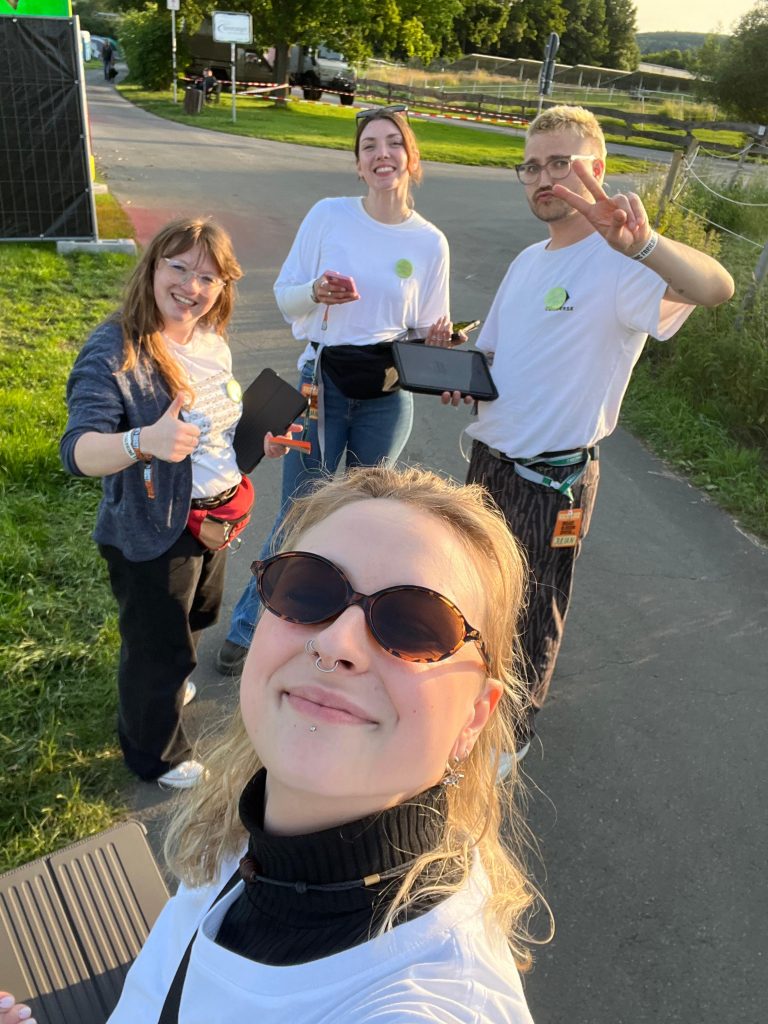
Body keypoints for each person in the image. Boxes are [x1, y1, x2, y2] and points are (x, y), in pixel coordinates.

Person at [0, 465, 541, 1023]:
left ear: (474, 717)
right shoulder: (247, 835)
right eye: (308, 591)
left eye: (415, 625)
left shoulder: (427, 1004)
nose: (335, 642)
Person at [446, 105, 735, 757]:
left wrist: (647, 245)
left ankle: (508, 742)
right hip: (490, 459)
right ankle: (476, 708)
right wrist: (461, 362)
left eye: (561, 164)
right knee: (479, 596)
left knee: (532, 610)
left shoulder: (623, 263)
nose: (544, 177)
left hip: (552, 477)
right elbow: (495, 351)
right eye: (533, 165)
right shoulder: (527, 261)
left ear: (596, 171)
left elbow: (719, 287)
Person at [217, 104, 456, 675]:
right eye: (369, 145)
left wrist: (441, 341)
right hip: (319, 383)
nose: (382, 154)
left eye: (393, 143)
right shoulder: (329, 216)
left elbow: (425, 331)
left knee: (362, 513)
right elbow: (285, 296)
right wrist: (316, 294)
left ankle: (336, 623)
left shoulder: (430, 243)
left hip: (386, 395)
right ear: (357, 163)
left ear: (411, 156)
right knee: (299, 512)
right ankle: (251, 626)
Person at [60, 217, 290, 790]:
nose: (192, 286)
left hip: (214, 517)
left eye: (208, 276)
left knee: (196, 618)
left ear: (223, 286)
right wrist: (143, 443)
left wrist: (255, 444)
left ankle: (167, 680)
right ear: (153, 268)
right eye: (179, 268)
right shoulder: (116, 348)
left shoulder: (211, 339)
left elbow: (213, 433)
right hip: (151, 528)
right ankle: (153, 752)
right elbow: (78, 450)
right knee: (155, 646)